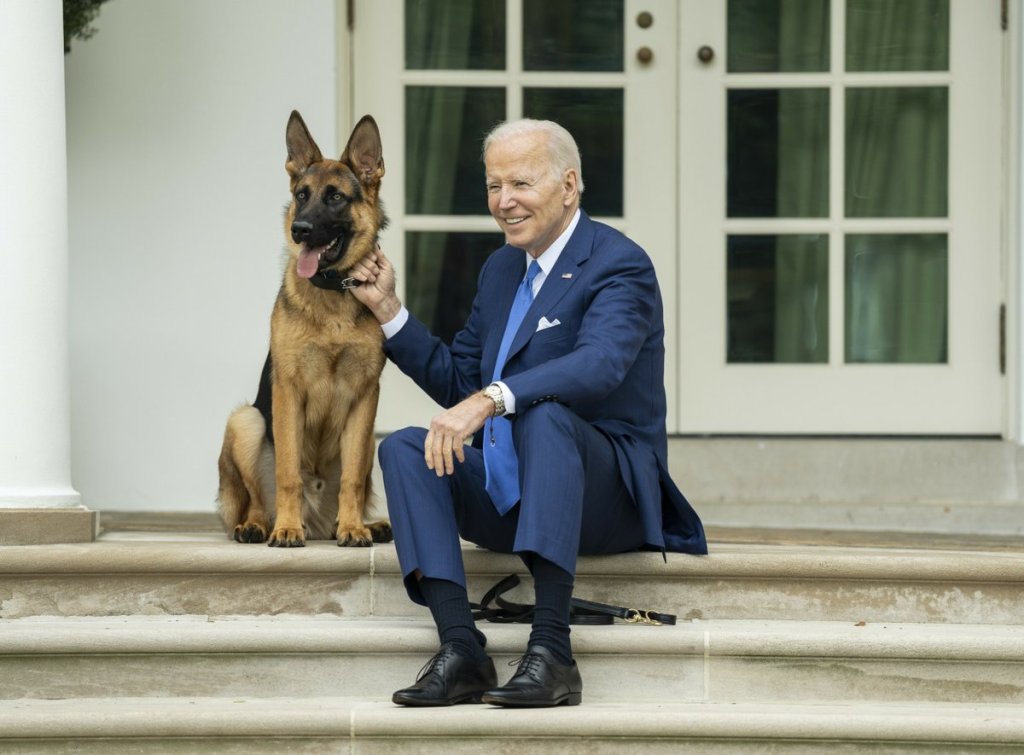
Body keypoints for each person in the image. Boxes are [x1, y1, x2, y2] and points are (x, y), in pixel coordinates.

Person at [348, 118, 707, 708]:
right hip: (513, 491)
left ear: (569, 186)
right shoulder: (500, 270)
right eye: (493, 186)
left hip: (604, 494)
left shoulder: (620, 264)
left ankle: (552, 651)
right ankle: (461, 648)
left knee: (544, 416)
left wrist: (491, 400)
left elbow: (599, 366)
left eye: (520, 183)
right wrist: (389, 312)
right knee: (405, 448)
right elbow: (462, 382)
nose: (504, 202)